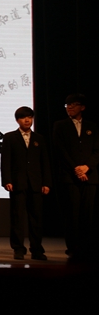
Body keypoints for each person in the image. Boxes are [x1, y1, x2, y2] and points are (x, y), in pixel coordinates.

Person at [1, 106, 51, 260]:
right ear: (17, 120)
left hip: (36, 183)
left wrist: (46, 183)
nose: (27, 120)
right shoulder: (10, 137)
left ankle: (37, 249)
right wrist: (7, 180)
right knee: (17, 218)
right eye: (23, 117)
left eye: (29, 117)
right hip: (17, 183)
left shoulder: (39, 138)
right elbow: (5, 161)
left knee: (36, 218)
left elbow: (45, 162)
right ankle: (18, 248)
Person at [52, 93, 99, 259]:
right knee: (71, 214)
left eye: (73, 104)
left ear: (82, 107)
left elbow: (96, 151)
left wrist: (87, 167)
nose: (70, 108)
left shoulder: (92, 126)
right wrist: (76, 169)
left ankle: (86, 248)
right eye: (67, 105)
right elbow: (60, 150)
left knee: (88, 214)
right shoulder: (60, 125)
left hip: (90, 176)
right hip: (69, 176)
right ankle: (72, 247)